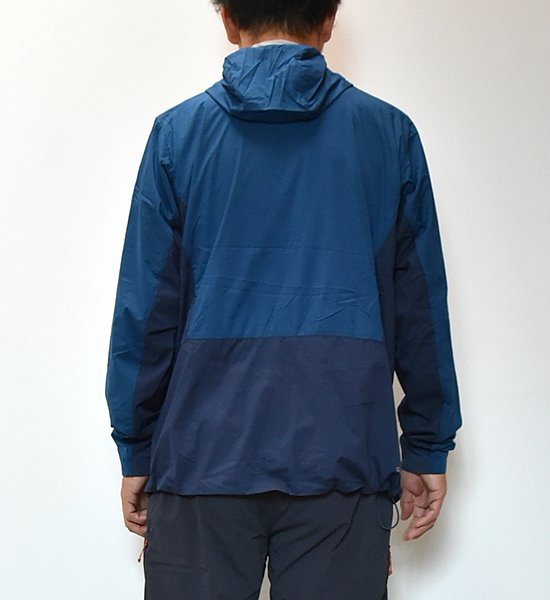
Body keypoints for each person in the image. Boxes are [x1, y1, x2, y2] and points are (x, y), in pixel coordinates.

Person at [104, 1, 463, 598]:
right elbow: (419, 306)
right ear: (328, 21)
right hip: (343, 453)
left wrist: (136, 446)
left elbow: (145, 313)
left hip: (201, 457)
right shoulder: (388, 134)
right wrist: (426, 443)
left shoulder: (177, 136)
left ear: (227, 20)